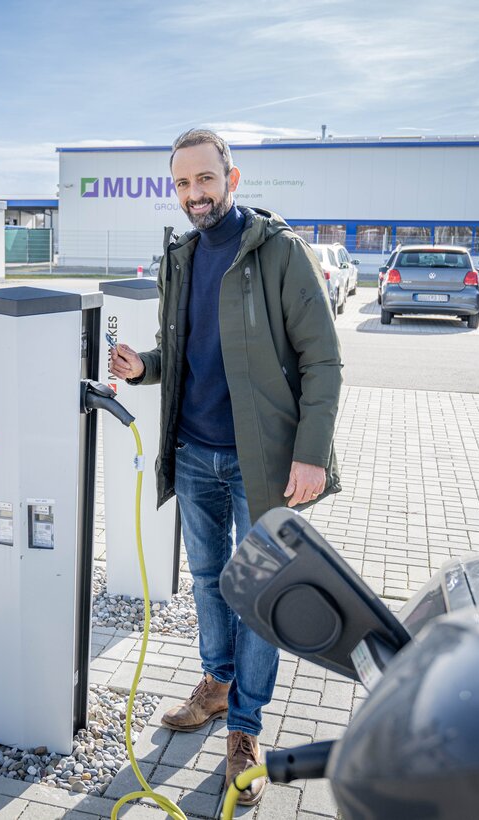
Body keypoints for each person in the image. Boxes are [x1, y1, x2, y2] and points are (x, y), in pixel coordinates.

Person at [109, 128, 343, 806]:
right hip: (193, 453)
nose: (194, 194)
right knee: (210, 582)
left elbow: (323, 360)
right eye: (182, 183)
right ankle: (215, 685)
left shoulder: (280, 253)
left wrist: (311, 454)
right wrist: (145, 367)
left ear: (232, 180)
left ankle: (246, 727)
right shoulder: (181, 257)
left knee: (262, 596)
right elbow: (188, 351)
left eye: (205, 179)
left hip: (261, 462)